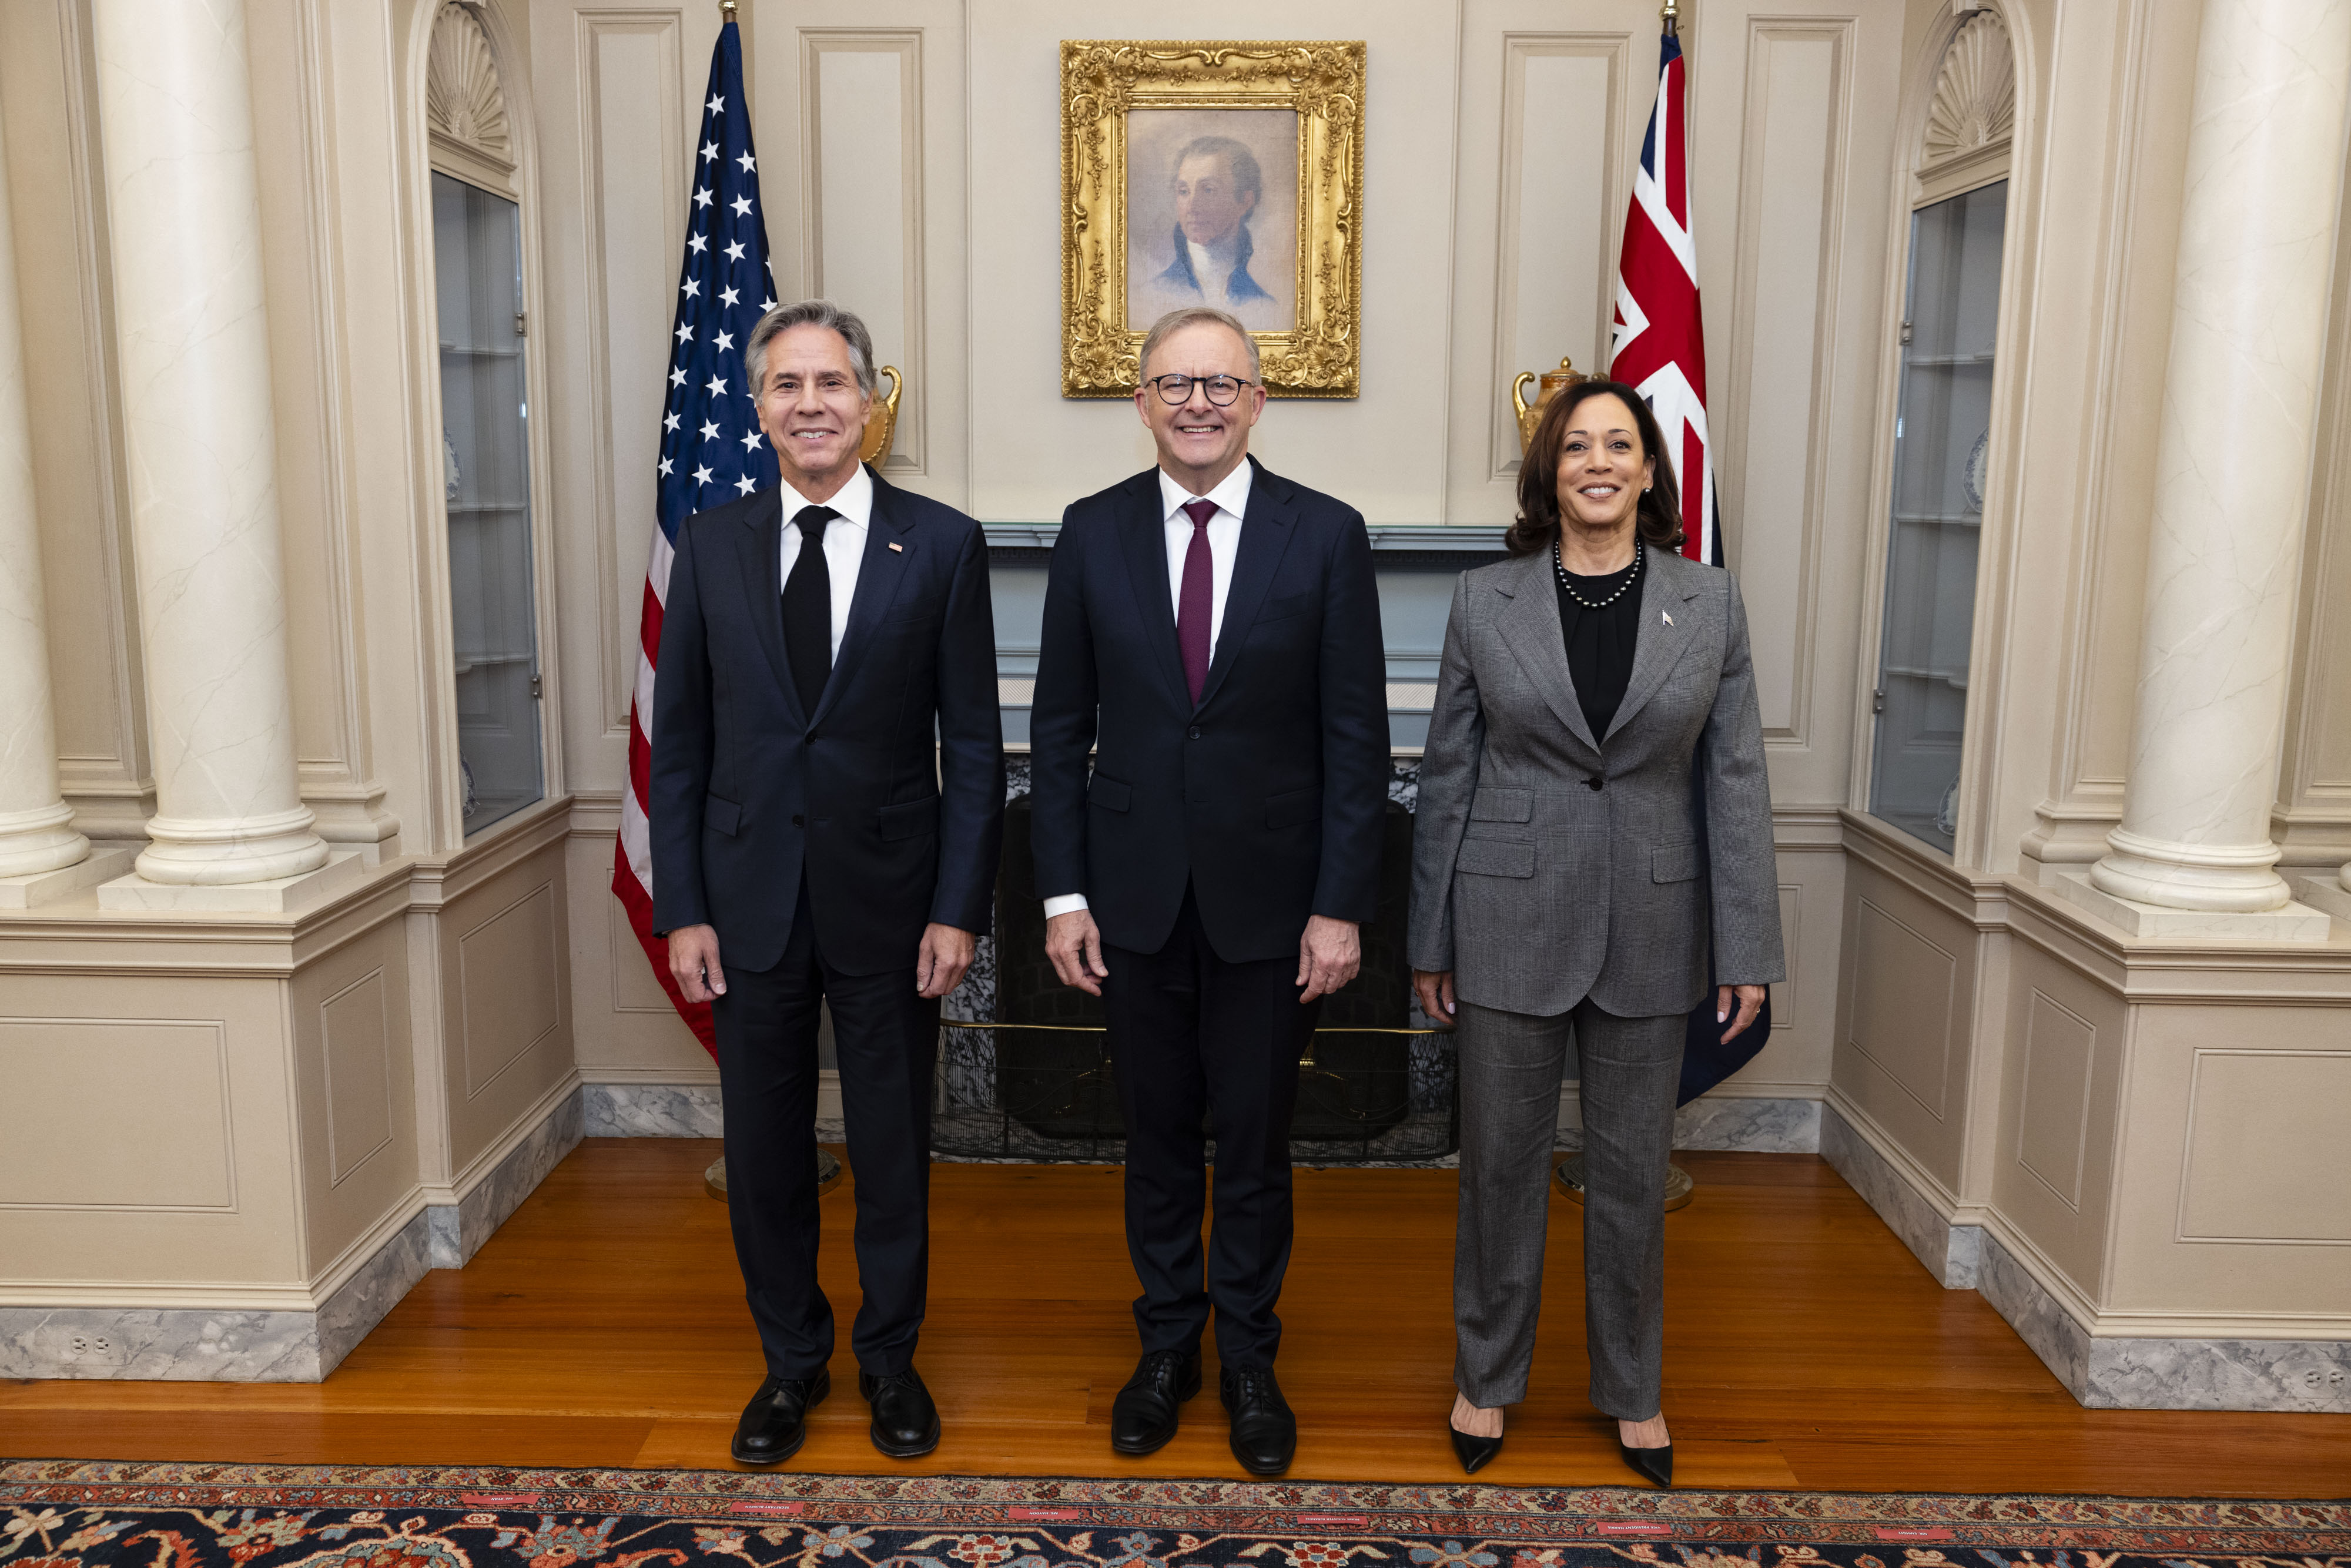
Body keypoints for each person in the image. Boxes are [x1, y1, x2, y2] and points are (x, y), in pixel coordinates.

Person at [1029, 306, 1388, 1476]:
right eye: (1174, 382)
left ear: (1255, 402)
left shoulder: (1325, 536)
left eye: (1219, 382)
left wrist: (1339, 905)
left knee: (1255, 1143)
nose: (1196, 401)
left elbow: (1355, 740)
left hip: (1274, 909)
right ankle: (1163, 1347)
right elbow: (1060, 726)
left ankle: (1247, 1356)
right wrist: (1060, 895)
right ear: (1140, 402)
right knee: (1151, 1141)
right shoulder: (1090, 534)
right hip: (1128, 903)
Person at [1408, 379, 1782, 1488]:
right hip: (1508, 913)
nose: (1600, 463)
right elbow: (1446, 778)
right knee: (1501, 1170)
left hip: (1656, 925)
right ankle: (1488, 1376)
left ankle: (1632, 1390)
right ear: (1551, 473)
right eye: (1578, 447)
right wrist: (1428, 938)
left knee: (1632, 1173)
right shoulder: (1485, 600)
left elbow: (1739, 782)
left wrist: (1748, 947)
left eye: (1620, 444)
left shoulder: (1710, 604)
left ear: (1652, 471)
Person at [649, 300, 1003, 1466]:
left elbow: (975, 747)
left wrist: (957, 906)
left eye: (832, 382)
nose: (810, 403)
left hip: (894, 905)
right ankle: (790, 1363)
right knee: (763, 1149)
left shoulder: (941, 544)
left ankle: (890, 1361)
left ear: (869, 401)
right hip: (745, 904)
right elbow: (683, 745)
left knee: (896, 1147)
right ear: (757, 409)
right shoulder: (707, 545)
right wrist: (682, 905)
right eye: (787, 385)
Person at [1148, 138, 1277, 316]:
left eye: (1208, 190)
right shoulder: (1152, 294)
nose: (1192, 207)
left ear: (1245, 201)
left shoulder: (1265, 306)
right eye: (1184, 192)